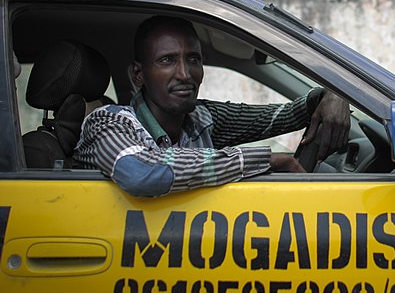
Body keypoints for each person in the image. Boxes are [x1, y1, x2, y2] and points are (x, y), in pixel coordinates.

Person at [74, 15, 350, 197]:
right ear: (138, 74)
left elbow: (283, 116)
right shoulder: (108, 122)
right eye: (167, 60)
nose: (185, 74)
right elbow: (140, 171)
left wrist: (332, 94)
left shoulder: (201, 117)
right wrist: (265, 159)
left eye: (193, 59)